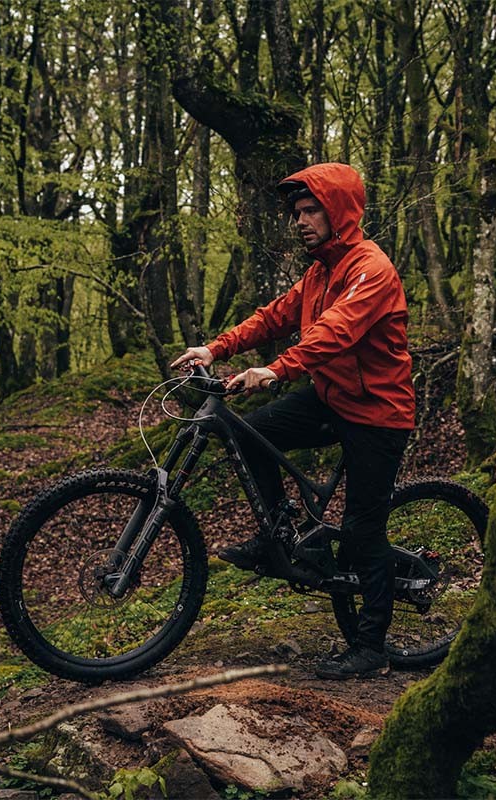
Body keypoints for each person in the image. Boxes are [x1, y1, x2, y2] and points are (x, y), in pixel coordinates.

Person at [170, 162, 415, 679]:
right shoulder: (319, 271)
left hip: (378, 413)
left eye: (312, 210)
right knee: (251, 432)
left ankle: (371, 647)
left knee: (361, 529)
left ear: (340, 211)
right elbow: (275, 316)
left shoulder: (371, 269)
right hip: (332, 398)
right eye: (297, 213)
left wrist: (277, 369)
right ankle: (278, 536)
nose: (301, 221)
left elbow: (335, 332)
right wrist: (215, 348)